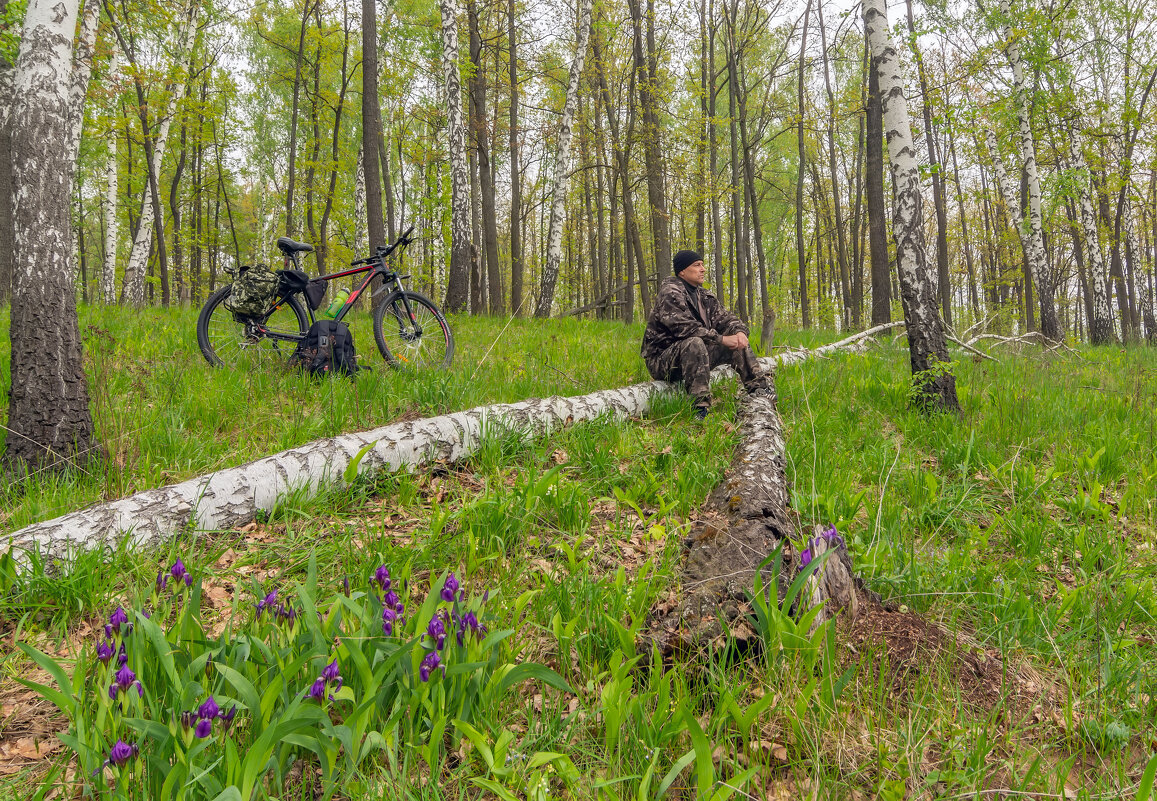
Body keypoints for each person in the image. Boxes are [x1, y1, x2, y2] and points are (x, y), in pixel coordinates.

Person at [641, 249, 771, 419]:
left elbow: (726, 318)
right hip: (662, 360)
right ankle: (699, 408)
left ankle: (759, 389)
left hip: (694, 356)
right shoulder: (670, 293)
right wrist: (722, 339)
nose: (703, 269)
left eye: (702, 264)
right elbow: (685, 329)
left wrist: (739, 332)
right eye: (697, 265)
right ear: (682, 271)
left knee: (737, 342)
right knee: (694, 342)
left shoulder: (704, 295)